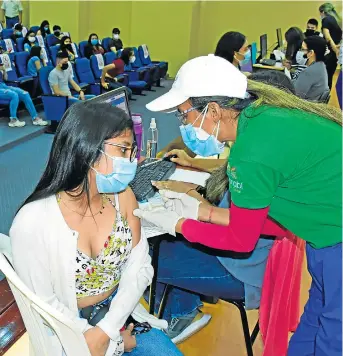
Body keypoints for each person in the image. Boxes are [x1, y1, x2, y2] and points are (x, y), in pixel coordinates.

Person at [135, 55, 342, 355]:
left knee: (334, 338)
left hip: (336, 242)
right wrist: (204, 212)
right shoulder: (262, 117)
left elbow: (241, 241)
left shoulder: (250, 151)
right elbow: (277, 220)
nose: (184, 125)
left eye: (184, 115)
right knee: (317, 320)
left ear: (214, 111)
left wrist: (179, 224)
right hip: (323, 235)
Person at [10, 101, 183, 356]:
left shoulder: (122, 196)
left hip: (121, 310)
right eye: (123, 150)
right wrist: (115, 343)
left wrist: (108, 329)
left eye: (131, 151)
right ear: (86, 150)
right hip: (67, 326)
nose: (131, 161)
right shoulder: (33, 222)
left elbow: (140, 266)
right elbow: (47, 309)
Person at [0, 60, 47, 127]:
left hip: (4, 86)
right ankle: (13, 120)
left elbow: (5, 78)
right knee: (14, 95)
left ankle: (35, 118)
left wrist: (4, 71)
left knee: (25, 94)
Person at [294, 36, 329, 101]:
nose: (301, 52)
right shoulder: (321, 66)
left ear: (311, 53)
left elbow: (294, 96)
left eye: (302, 49)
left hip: (301, 107)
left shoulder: (308, 72)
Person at [319, 2, 342, 89]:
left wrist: (335, 49)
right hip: (336, 53)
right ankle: (326, 97)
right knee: (329, 76)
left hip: (332, 52)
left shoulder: (326, 20)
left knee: (325, 76)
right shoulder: (337, 20)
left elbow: (327, 37)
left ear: (323, 12)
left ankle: (323, 99)